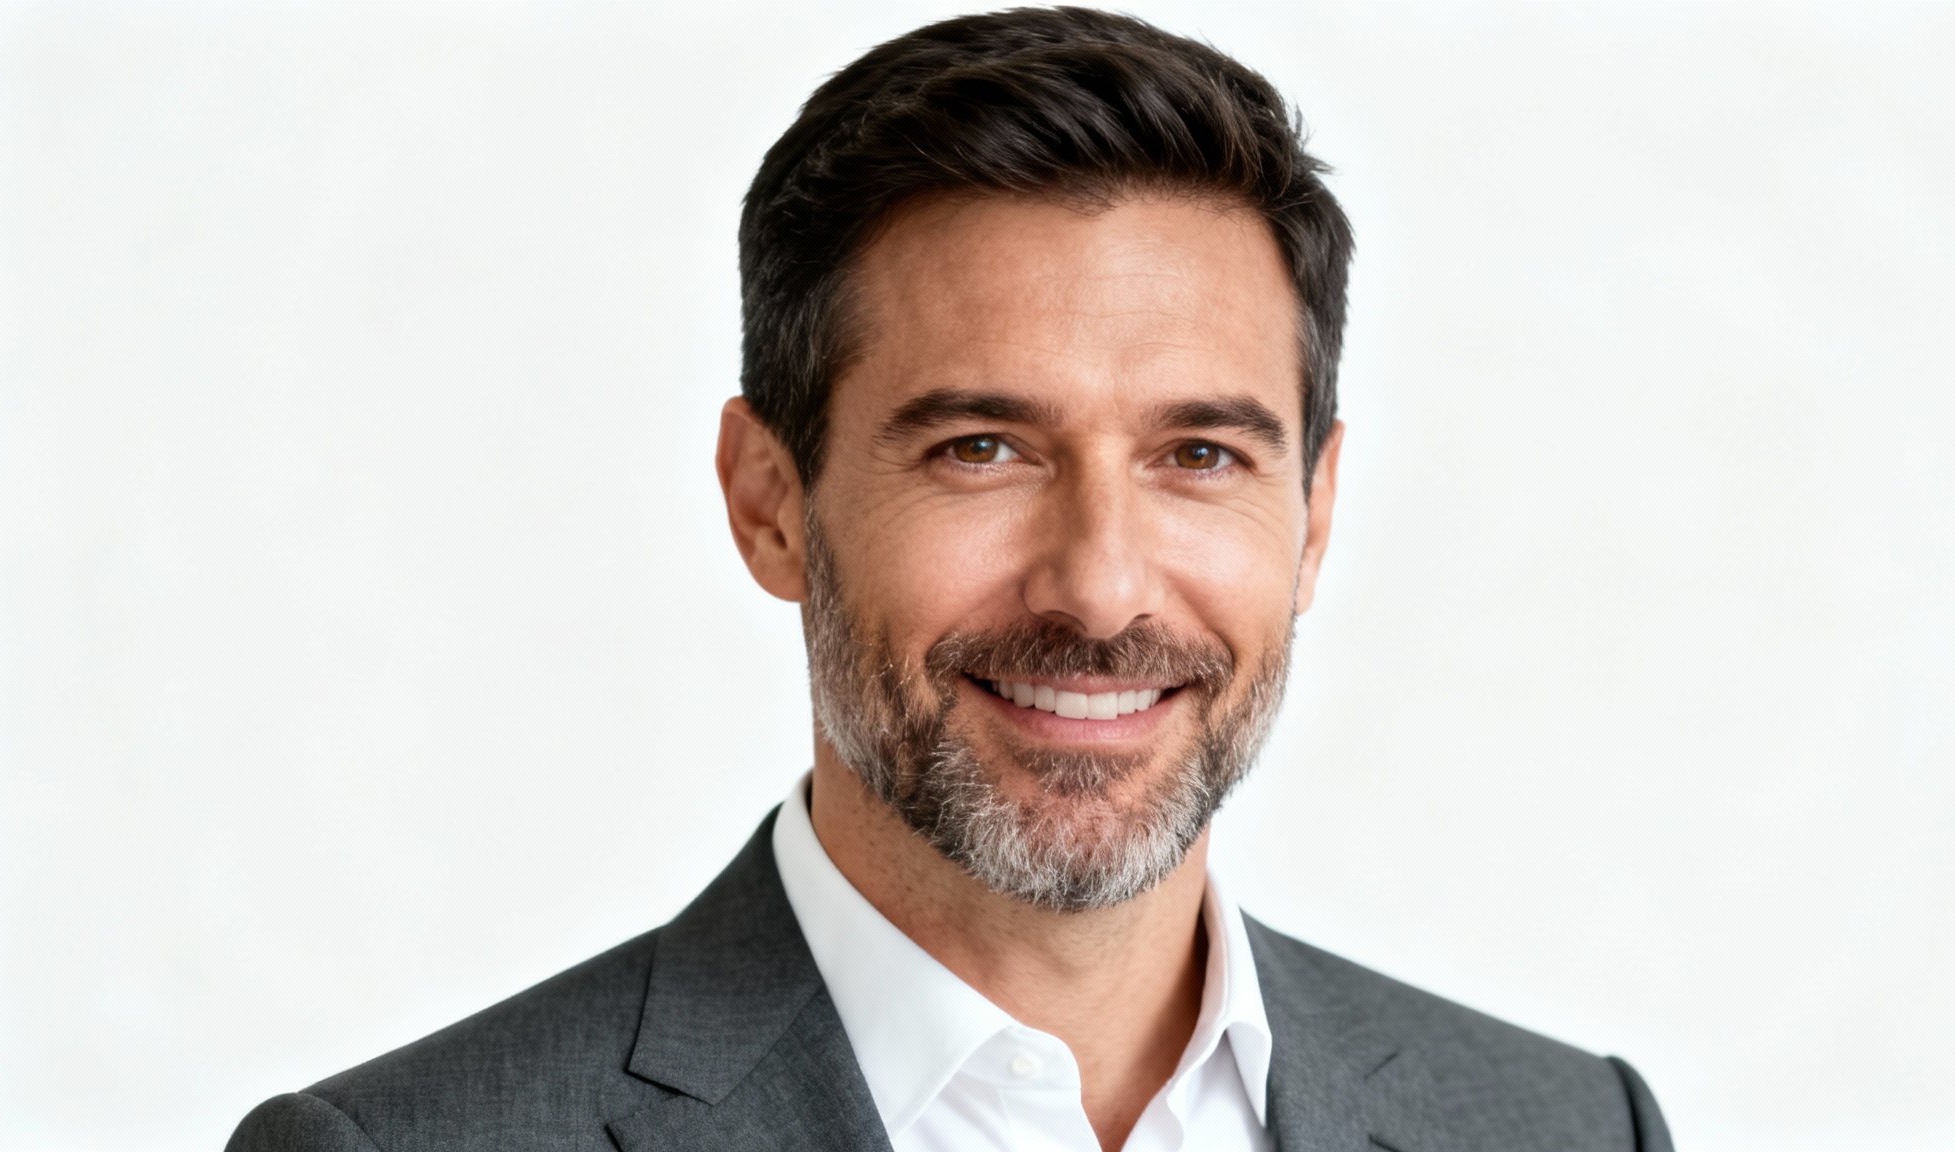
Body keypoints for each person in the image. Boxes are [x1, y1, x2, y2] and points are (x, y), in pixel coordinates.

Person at [228, 8, 1673, 1151]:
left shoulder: (1566, 1131)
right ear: (770, 503)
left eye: (1201, 457)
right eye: (982, 449)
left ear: (1314, 517)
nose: (1102, 592)